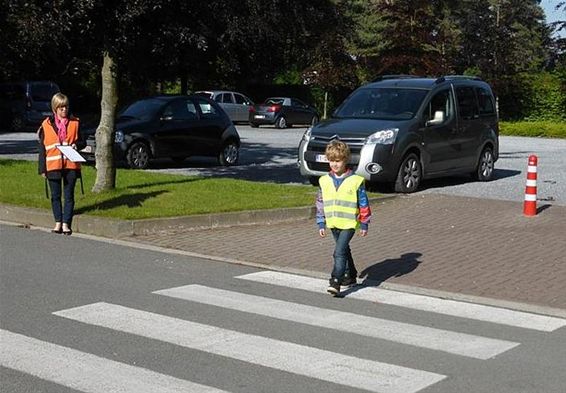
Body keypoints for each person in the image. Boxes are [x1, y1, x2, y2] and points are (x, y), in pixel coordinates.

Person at [316, 140, 371, 295]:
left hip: (349, 223)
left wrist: (364, 223)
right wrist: (321, 222)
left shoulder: (356, 181)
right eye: (331, 161)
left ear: (345, 160)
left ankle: (336, 281)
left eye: (338, 161)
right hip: (333, 223)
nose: (334, 164)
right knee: (344, 250)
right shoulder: (324, 180)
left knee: (338, 252)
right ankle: (351, 275)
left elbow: (363, 203)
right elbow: (320, 202)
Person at [38, 93, 84, 235]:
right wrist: (42, 169)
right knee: (55, 196)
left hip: (70, 165)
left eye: (66, 107)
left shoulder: (75, 122)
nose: (64, 110)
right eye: (61, 108)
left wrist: (77, 145)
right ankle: (58, 221)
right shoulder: (46, 125)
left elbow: (83, 141)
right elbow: (42, 149)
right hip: (53, 166)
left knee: (69, 196)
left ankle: (66, 224)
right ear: (55, 109)